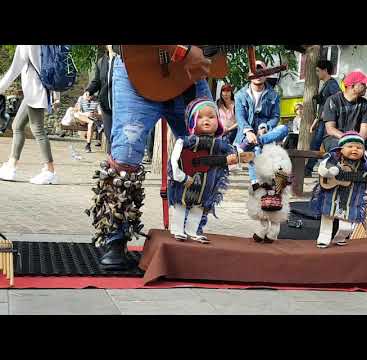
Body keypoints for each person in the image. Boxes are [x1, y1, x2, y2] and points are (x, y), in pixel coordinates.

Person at [87, 45, 213, 270]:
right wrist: (184, 50)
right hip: (139, 69)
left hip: (188, 78)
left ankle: (191, 232)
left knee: (205, 152)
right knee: (125, 154)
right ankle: (115, 236)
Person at [168, 98, 252, 243]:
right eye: (200, 117)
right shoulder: (185, 142)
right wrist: (180, 177)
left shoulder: (221, 145)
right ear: (192, 122)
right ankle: (178, 229)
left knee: (200, 207)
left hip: (207, 185)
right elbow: (178, 162)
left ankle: (194, 230)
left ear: (218, 122)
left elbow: (232, 162)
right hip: (186, 181)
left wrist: (236, 160)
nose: (206, 120)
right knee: (181, 204)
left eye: (211, 117)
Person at [0, 45, 60, 185]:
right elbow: (53, 68)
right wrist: (56, 95)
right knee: (17, 125)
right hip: (37, 91)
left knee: (37, 129)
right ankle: (11, 165)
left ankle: (50, 170)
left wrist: (1, 88)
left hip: (34, 92)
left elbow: (14, 69)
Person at [311, 131, 367, 248]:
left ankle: (340, 238)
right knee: (327, 217)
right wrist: (329, 171)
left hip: (351, 199)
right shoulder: (333, 158)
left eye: (359, 147)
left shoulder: (364, 166)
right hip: (331, 196)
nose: (355, 149)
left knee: (346, 225)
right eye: (350, 146)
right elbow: (323, 167)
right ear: (341, 149)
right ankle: (323, 238)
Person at [234, 60, 289, 186]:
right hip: (245, 135)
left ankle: (256, 141)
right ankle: (256, 183)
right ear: (249, 74)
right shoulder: (240, 95)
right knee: (257, 148)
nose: (258, 74)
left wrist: (265, 127)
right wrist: (248, 132)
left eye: (261, 71)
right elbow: (240, 117)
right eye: (255, 71)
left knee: (284, 128)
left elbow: (275, 117)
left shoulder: (273, 94)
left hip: (264, 133)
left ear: (267, 74)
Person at [322, 70, 367, 153]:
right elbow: (330, 129)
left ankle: (366, 165)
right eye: (363, 84)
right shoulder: (333, 100)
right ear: (352, 86)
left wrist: (356, 142)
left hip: (357, 139)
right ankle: (332, 165)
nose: (366, 87)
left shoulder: (365, 104)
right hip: (335, 139)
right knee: (340, 148)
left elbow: (364, 131)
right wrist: (347, 139)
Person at [305, 60, 341, 177]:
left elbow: (337, 101)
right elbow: (323, 106)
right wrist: (316, 121)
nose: (316, 73)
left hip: (327, 122)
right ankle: (309, 169)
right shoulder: (326, 85)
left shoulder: (332, 84)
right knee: (316, 145)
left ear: (325, 70)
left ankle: (309, 170)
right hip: (322, 121)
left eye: (318, 70)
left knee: (321, 145)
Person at [83, 45, 116, 155]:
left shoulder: (122, 60)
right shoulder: (101, 62)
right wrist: (89, 91)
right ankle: (112, 161)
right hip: (106, 103)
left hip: (121, 103)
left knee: (119, 134)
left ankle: (119, 162)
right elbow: (96, 81)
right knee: (109, 133)